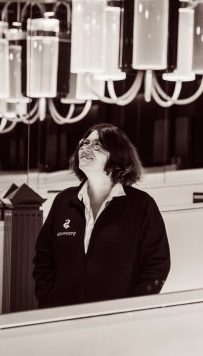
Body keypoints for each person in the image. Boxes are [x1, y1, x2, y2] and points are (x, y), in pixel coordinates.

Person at [33, 123, 170, 308]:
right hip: (61, 316)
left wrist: (135, 307)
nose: (85, 148)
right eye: (84, 143)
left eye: (96, 145)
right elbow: (43, 258)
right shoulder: (64, 201)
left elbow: (157, 264)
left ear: (117, 154)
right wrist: (49, 298)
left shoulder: (141, 205)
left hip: (115, 320)